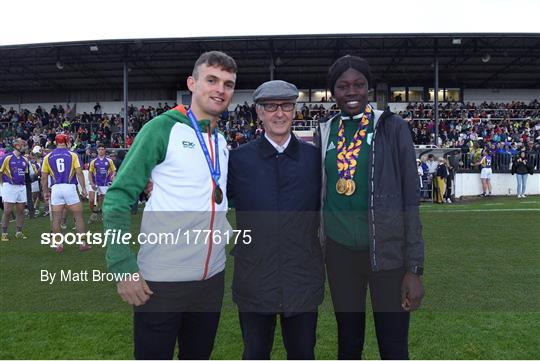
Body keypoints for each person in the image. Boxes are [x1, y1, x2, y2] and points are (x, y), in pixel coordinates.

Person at [103, 51, 237, 360]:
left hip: (211, 280)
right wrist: (123, 267)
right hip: (162, 282)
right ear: (192, 83)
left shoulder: (220, 141)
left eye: (228, 84)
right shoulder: (162, 128)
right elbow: (119, 197)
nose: (220, 90)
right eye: (212, 80)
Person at [319, 55, 424, 360]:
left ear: (369, 89)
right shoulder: (325, 131)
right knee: (348, 344)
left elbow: (410, 200)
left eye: (359, 84)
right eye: (343, 86)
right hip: (340, 256)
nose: (351, 92)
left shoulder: (392, 127)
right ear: (333, 92)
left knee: (393, 346)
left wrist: (414, 269)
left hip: (387, 255)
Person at [228, 80, 324, 359]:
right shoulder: (238, 159)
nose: (278, 113)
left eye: (286, 106)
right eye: (270, 106)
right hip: (254, 280)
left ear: (295, 111)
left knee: (303, 353)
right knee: (255, 353)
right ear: (259, 112)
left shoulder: (315, 159)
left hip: (302, 279)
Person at [41, 134, 91, 253]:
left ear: (55, 142)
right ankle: (83, 243)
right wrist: (83, 188)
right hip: (69, 187)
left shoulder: (48, 156)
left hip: (56, 188)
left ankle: (59, 245)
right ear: (67, 141)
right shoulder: (73, 155)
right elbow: (79, 173)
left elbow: (43, 177)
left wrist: (45, 191)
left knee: (56, 219)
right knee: (78, 216)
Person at [0, 138, 29, 241]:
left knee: (21, 210)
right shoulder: (6, 158)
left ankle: (19, 232)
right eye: (23, 144)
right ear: (17, 146)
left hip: (21, 187)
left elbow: (25, 174)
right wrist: (2, 186)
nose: (25, 147)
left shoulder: (25, 159)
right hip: (9, 186)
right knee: (7, 211)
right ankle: (4, 233)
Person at [88, 145, 116, 224]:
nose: (101, 151)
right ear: (97, 150)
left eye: (102, 149)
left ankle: (99, 215)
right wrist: (92, 183)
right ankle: (94, 213)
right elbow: (90, 173)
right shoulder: (93, 161)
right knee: (91, 200)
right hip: (95, 183)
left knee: (102, 199)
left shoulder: (109, 160)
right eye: (99, 149)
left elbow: (114, 170)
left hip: (105, 183)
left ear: (105, 150)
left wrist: (113, 175)